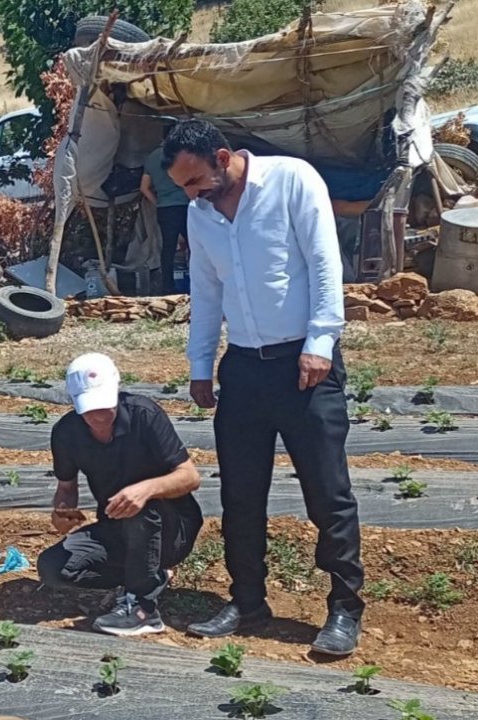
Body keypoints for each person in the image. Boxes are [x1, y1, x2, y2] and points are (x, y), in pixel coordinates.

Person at [164, 118, 364, 656]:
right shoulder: (199, 213)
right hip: (245, 369)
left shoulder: (293, 181)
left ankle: (345, 608)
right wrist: (201, 364)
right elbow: (205, 292)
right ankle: (247, 601)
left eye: (195, 181)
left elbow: (325, 265)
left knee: (328, 493)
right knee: (241, 494)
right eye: (183, 186)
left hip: (305, 366)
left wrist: (320, 343)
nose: (191, 194)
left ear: (224, 157)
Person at [38, 353, 203, 636]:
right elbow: (66, 488)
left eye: (105, 405)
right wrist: (62, 512)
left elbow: (190, 477)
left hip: (172, 527)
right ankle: (149, 576)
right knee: (53, 568)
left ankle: (143, 609)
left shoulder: (145, 415)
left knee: (138, 507)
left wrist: (145, 489)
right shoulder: (66, 433)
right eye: (90, 409)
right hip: (115, 526)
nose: (99, 415)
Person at [141, 133, 190, 294]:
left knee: (168, 248)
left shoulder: (152, 157)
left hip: (165, 209)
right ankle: (197, 282)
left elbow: (144, 188)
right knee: (195, 247)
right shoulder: (179, 155)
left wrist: (158, 203)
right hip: (185, 206)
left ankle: (167, 287)